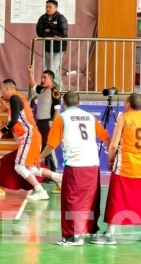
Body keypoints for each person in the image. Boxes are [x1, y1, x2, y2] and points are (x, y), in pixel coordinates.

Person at [39, 91, 110, 246]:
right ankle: (92, 231)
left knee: (72, 200)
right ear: (79, 103)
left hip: (75, 165)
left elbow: (52, 144)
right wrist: (112, 156)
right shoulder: (90, 117)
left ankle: (74, 236)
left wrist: (40, 157)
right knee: (91, 199)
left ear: (64, 103)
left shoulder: (62, 118)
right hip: (93, 164)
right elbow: (105, 138)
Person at [93, 93, 141, 245]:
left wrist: (110, 160)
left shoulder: (123, 118)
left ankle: (110, 234)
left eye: (125, 101)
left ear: (129, 104)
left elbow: (113, 144)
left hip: (125, 165)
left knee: (115, 197)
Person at [0, 79, 54, 200]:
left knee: (19, 166)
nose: (1, 92)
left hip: (29, 135)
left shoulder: (14, 98)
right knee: (31, 168)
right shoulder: (19, 98)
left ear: (7, 89)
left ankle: (40, 190)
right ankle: (58, 178)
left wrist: (0, 132)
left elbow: (14, 120)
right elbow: (15, 123)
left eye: (2, 89)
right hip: (31, 136)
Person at [28, 65, 62, 183]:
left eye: (44, 78)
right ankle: (48, 174)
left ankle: (55, 173)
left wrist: (53, 124)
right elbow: (33, 85)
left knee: (49, 147)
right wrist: (30, 72)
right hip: (40, 123)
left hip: (48, 123)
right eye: (41, 77)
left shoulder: (55, 92)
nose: (42, 80)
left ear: (51, 79)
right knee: (43, 148)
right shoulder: (42, 90)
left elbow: (57, 109)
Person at [35, 0, 68, 89]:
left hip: (58, 49)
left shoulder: (61, 18)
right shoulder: (43, 18)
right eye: (46, 7)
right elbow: (39, 32)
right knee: (52, 71)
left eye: (50, 7)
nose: (48, 9)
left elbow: (63, 34)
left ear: (56, 8)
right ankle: (59, 91)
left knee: (52, 72)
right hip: (47, 49)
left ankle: (61, 90)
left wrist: (50, 31)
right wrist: (53, 35)